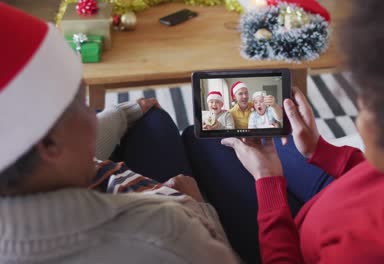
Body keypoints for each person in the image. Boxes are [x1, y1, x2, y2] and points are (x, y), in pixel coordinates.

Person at [214, 0, 384, 262]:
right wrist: (320, 150)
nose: (359, 103)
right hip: (329, 200)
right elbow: (372, 175)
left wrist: (267, 179)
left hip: (290, 238)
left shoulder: (367, 253)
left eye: (370, 101)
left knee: (205, 141)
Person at [0, 3, 238, 263]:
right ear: (48, 143)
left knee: (152, 118)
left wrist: (122, 114)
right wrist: (197, 207)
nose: (94, 114)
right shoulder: (165, 234)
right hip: (183, 216)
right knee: (195, 137)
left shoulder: (21, 162)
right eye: (84, 102)